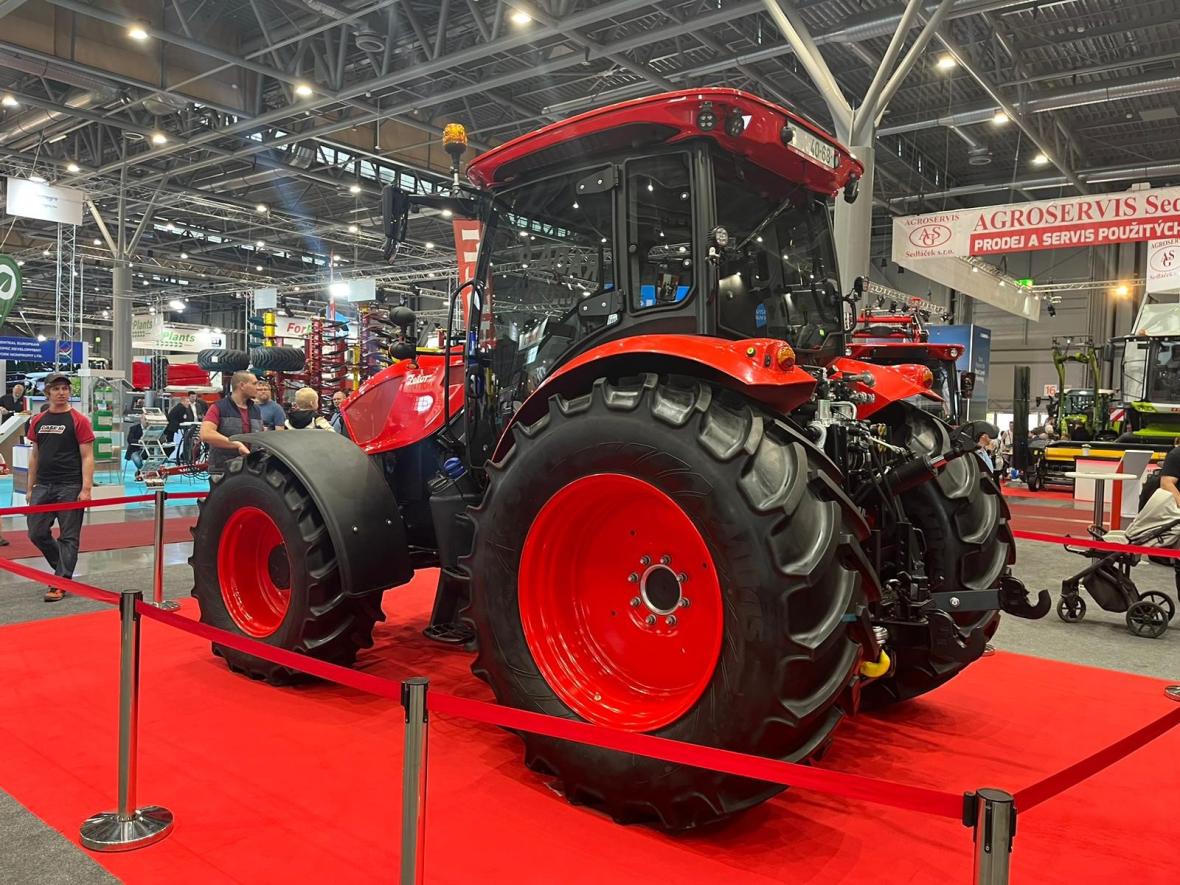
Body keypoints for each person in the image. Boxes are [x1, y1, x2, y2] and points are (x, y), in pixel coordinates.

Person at [26, 373, 95, 602]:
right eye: (56, 389)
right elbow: (34, 455)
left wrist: (86, 489)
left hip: (70, 485)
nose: (61, 392)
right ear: (47, 392)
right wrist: (30, 488)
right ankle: (63, 573)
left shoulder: (79, 420)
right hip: (43, 485)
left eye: (65, 388)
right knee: (36, 533)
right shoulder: (38, 420)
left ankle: (59, 582)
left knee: (69, 536)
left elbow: (87, 456)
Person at [199, 371, 262, 477]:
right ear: (242, 385)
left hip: (251, 470)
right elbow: (206, 434)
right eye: (254, 384)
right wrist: (236, 444)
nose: (258, 388)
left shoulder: (256, 410)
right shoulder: (218, 407)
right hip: (223, 472)